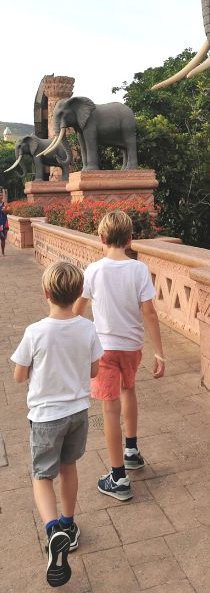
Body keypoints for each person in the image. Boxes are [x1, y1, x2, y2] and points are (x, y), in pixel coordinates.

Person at [11, 261, 103, 588]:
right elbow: (93, 371)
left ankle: (53, 531)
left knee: (41, 476)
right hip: (77, 412)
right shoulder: (87, 328)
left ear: (45, 293)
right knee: (69, 467)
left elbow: (19, 375)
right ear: (79, 292)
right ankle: (69, 524)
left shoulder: (35, 332)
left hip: (45, 417)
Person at [74, 209, 166, 501]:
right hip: (132, 347)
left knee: (109, 410)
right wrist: (160, 353)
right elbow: (149, 313)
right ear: (130, 239)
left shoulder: (93, 270)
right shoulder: (139, 269)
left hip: (104, 349)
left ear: (101, 238)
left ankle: (117, 477)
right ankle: (131, 450)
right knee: (129, 391)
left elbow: (77, 309)